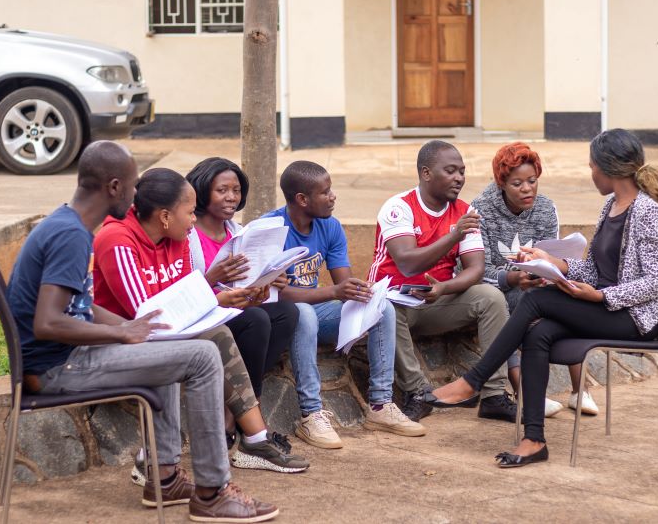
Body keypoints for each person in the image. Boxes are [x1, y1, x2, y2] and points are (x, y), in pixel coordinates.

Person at [6, 141, 278, 521]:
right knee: (200, 356)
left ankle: (164, 477)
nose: (137, 196)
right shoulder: (72, 235)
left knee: (166, 343)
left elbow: (79, 307)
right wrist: (122, 334)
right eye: (134, 186)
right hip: (56, 367)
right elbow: (48, 322)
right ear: (114, 187)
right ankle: (212, 491)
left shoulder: (67, 224)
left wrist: (134, 326)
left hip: (64, 358)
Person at [425, 129, 658, 467]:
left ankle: (473, 381)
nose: (591, 175)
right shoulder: (611, 206)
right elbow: (592, 268)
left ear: (611, 169)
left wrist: (602, 295)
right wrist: (551, 262)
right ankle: (533, 440)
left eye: (593, 168)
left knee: (535, 302)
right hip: (606, 306)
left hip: (633, 318)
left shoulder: (645, 211)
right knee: (538, 332)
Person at [93, 167, 308, 475]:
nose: (194, 220)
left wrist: (240, 299)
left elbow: (186, 296)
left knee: (223, 330)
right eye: (190, 213)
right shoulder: (117, 240)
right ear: (165, 216)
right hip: (125, 338)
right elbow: (146, 316)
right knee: (210, 344)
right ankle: (221, 456)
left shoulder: (175, 236)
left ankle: (254, 438)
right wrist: (215, 299)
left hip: (164, 332)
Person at [263, 160, 427, 449]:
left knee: (383, 309)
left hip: (315, 309)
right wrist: (335, 291)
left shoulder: (330, 226)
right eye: (325, 192)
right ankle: (310, 414)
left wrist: (360, 291)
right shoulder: (270, 229)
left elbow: (344, 285)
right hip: (283, 316)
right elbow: (276, 295)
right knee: (303, 314)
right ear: (302, 199)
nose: (333, 196)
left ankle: (380, 406)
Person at [368, 140, 515, 423]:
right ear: (426, 173)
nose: (459, 178)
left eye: (462, 171)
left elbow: (475, 269)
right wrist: (453, 236)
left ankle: (494, 395)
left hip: (437, 300)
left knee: (491, 297)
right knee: (384, 308)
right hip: (396, 301)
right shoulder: (399, 207)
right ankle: (417, 393)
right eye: (450, 171)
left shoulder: (464, 211)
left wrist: (443, 288)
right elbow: (407, 262)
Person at [473, 142, 598, 418]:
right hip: (498, 288)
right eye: (517, 183)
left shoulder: (544, 208)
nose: (527, 188)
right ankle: (529, 395)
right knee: (519, 310)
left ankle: (580, 391)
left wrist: (545, 272)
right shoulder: (481, 210)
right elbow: (477, 269)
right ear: (502, 183)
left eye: (532, 181)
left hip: (535, 283)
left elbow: (551, 254)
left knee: (570, 297)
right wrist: (513, 277)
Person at [184, 157, 300, 399]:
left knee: (287, 313)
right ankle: (250, 404)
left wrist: (270, 281)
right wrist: (211, 278)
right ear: (203, 191)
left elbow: (251, 277)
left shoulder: (238, 233)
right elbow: (181, 291)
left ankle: (237, 400)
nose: (231, 197)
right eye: (222, 190)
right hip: (207, 310)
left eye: (236, 190)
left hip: (238, 304)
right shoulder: (187, 234)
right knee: (256, 319)